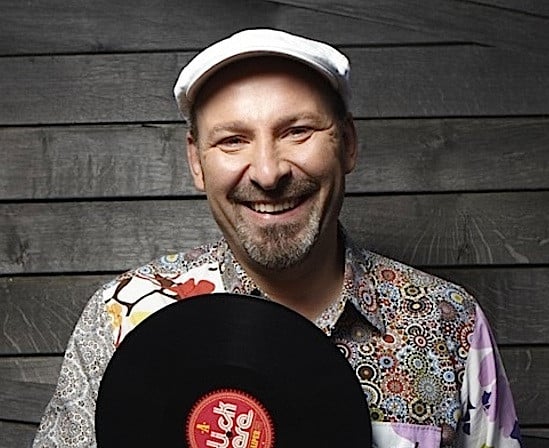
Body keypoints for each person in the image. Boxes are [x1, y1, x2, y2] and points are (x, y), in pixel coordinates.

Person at [33, 29, 522, 447]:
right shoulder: (121, 317)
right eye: (233, 140)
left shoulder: (452, 325)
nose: (268, 173)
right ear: (197, 162)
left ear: (348, 144)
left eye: (297, 131)